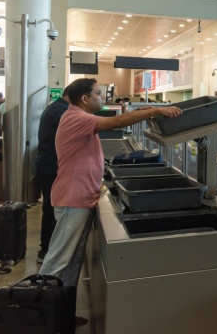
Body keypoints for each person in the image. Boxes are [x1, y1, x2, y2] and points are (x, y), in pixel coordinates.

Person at [39, 78, 182, 323]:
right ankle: (38, 318)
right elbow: (115, 121)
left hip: (82, 198)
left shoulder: (80, 117)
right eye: (97, 93)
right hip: (73, 199)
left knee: (72, 262)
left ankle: (62, 314)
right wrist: (157, 109)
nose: (102, 97)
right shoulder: (76, 117)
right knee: (57, 261)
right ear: (85, 98)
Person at [34, 88, 71, 263]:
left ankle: (47, 250)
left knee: (50, 208)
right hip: (51, 167)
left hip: (47, 165)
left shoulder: (56, 107)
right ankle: (46, 251)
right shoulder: (60, 111)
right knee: (51, 209)